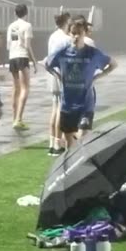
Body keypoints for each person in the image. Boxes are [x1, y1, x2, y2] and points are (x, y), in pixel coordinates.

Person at [46, 18, 117, 150]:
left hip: (85, 104)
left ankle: (84, 156)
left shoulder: (93, 53)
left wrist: (98, 76)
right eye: (73, 33)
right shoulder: (62, 52)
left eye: (79, 33)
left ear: (85, 33)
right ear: (69, 34)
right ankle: (71, 166)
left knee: (83, 136)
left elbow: (113, 64)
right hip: (67, 105)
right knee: (69, 143)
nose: (76, 36)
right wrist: (59, 77)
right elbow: (47, 64)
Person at [44, 11, 72, 154]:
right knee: (61, 109)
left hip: (52, 74)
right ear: (66, 22)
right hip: (62, 74)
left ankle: (52, 142)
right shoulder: (66, 39)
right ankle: (57, 144)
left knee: (55, 108)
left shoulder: (52, 36)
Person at [6, 3, 35, 130]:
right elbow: (27, 45)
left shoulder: (11, 26)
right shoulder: (27, 26)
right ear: (26, 13)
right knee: (25, 88)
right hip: (22, 56)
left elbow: (9, 44)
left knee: (15, 88)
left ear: (15, 13)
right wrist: (33, 60)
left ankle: (14, 118)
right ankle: (19, 119)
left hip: (12, 56)